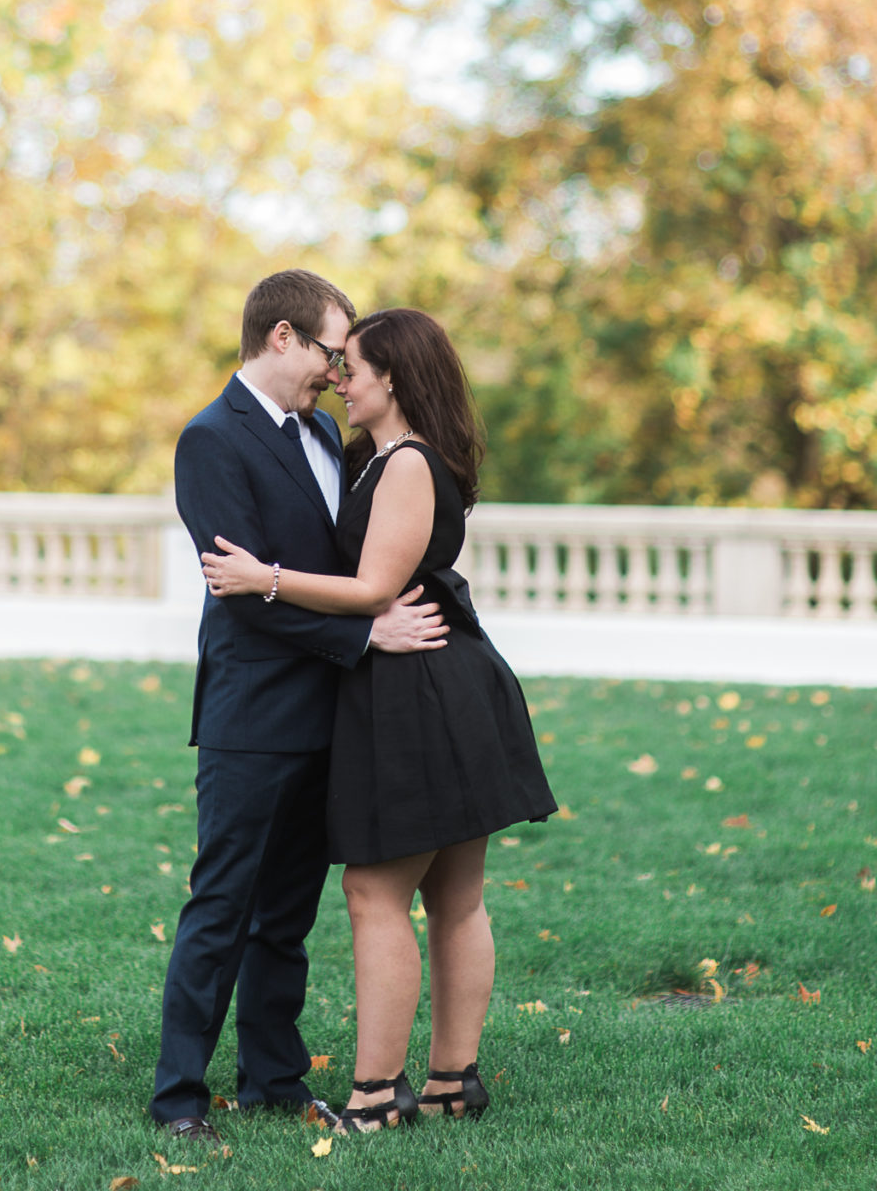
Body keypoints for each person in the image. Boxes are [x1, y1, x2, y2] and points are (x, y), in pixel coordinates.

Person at [201, 305, 558, 1133]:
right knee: (456, 896)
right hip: (442, 682)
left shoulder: (405, 465)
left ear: (392, 376)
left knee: (374, 891)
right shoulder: (389, 457)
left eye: (351, 368)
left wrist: (267, 578)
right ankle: (450, 1082)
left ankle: (374, 1098)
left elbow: (371, 590)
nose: (338, 380)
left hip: (421, 694)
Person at [151, 270, 452, 1144]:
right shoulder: (210, 439)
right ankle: (178, 1100)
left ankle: (273, 1080)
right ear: (281, 337)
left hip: (329, 717)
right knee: (223, 909)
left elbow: (349, 569)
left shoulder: (324, 433)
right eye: (329, 349)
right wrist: (365, 641)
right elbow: (242, 594)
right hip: (251, 720)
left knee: (287, 916)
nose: (335, 370)